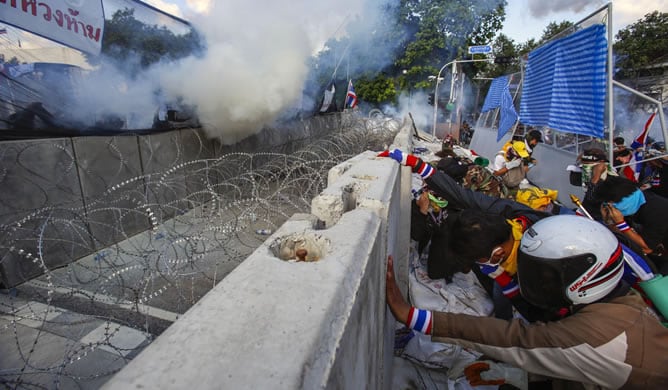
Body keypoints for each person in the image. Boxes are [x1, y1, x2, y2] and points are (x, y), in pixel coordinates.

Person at [386, 215, 668, 389]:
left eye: (547, 276)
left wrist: (413, 316)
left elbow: (516, 339)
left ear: (585, 275)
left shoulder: (595, 335)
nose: (539, 282)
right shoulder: (620, 302)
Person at [593, 175, 668, 273]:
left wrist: (621, 223)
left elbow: (646, 248)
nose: (609, 208)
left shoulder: (656, 211)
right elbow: (622, 235)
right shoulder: (633, 205)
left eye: (610, 204)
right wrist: (609, 221)